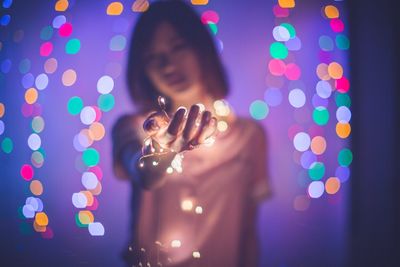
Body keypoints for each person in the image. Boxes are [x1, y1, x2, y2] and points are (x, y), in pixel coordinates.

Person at [112, 1, 271, 266]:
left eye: (177, 47)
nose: (168, 64)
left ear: (201, 49)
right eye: (153, 57)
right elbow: (142, 171)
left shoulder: (249, 136)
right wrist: (160, 155)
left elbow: (248, 233)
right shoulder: (136, 129)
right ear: (143, 68)